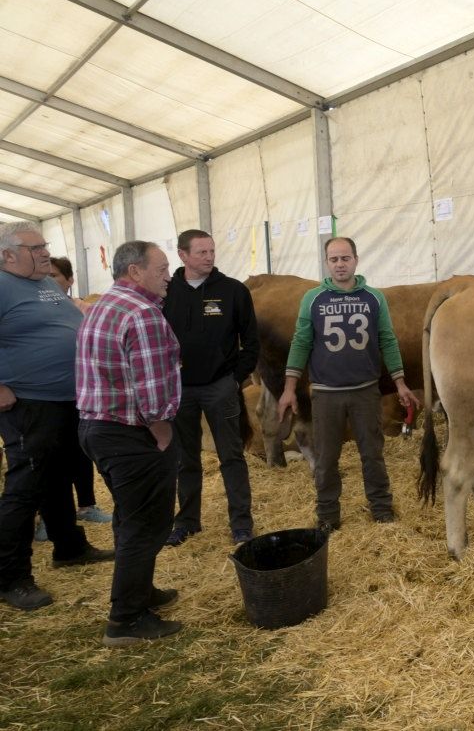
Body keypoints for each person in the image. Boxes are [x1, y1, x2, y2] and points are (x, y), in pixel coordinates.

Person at [0, 222, 115, 612]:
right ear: (7, 255)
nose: (46, 253)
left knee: (60, 473)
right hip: (29, 402)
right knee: (25, 485)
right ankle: (11, 576)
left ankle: (68, 547)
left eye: (45, 245)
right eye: (35, 248)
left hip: (68, 397)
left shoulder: (45, 283)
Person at [77, 240, 183, 645]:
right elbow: (152, 391)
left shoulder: (103, 304)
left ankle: (140, 592)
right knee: (146, 525)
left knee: (128, 516)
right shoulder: (143, 314)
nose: (168, 275)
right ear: (135, 271)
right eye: (161, 268)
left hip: (95, 428)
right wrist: (162, 431)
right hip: (131, 434)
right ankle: (126, 620)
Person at [277, 237, 418, 533]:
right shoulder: (313, 298)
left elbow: (388, 341)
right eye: (333, 259)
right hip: (326, 394)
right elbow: (301, 342)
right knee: (327, 458)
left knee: (373, 453)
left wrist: (400, 383)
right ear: (326, 263)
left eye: (345, 258)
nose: (340, 264)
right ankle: (328, 514)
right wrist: (289, 388)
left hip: (366, 391)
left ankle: (381, 508)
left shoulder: (373, 298)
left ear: (356, 259)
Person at [162, 230, 259, 546]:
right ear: (183, 255)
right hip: (180, 389)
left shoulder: (232, 291)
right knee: (185, 459)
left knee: (231, 456)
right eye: (201, 252)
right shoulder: (165, 293)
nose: (209, 257)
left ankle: (241, 524)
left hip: (220, 385)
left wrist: (235, 378)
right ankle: (187, 522)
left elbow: (251, 341)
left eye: (212, 251)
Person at [47, 256, 112, 526]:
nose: (48, 280)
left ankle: (87, 504)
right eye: (45, 275)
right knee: (51, 454)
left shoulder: (83, 309)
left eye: (55, 276)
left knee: (82, 448)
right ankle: (48, 516)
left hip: (81, 390)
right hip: (46, 393)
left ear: (69, 280)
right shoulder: (32, 308)